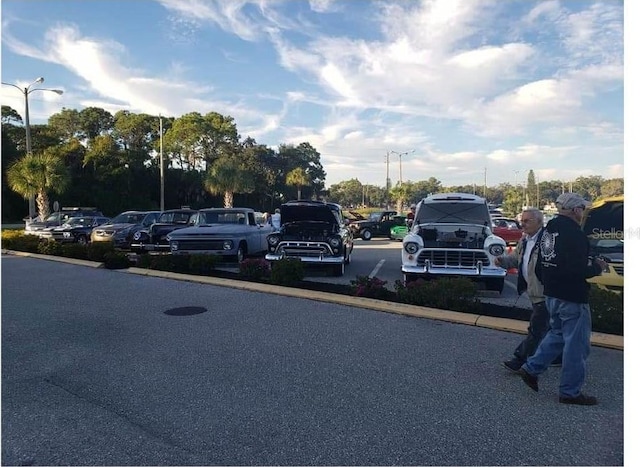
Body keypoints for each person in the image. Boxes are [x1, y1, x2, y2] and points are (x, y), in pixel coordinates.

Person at [517, 193, 607, 406]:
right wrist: (597, 267)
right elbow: (576, 269)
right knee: (577, 345)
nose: (582, 213)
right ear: (575, 210)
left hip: (552, 293)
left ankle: (531, 368)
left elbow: (541, 263)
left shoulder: (549, 230)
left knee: (557, 333)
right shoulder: (575, 233)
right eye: (582, 209)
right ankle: (570, 391)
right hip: (572, 295)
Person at [495, 208, 561, 372]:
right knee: (551, 327)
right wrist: (501, 261)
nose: (522, 224)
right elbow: (515, 260)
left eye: (527, 221)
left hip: (545, 293)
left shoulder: (548, 241)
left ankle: (520, 360)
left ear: (539, 222)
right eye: (522, 221)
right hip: (532, 292)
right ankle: (558, 356)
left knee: (536, 329)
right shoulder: (524, 241)